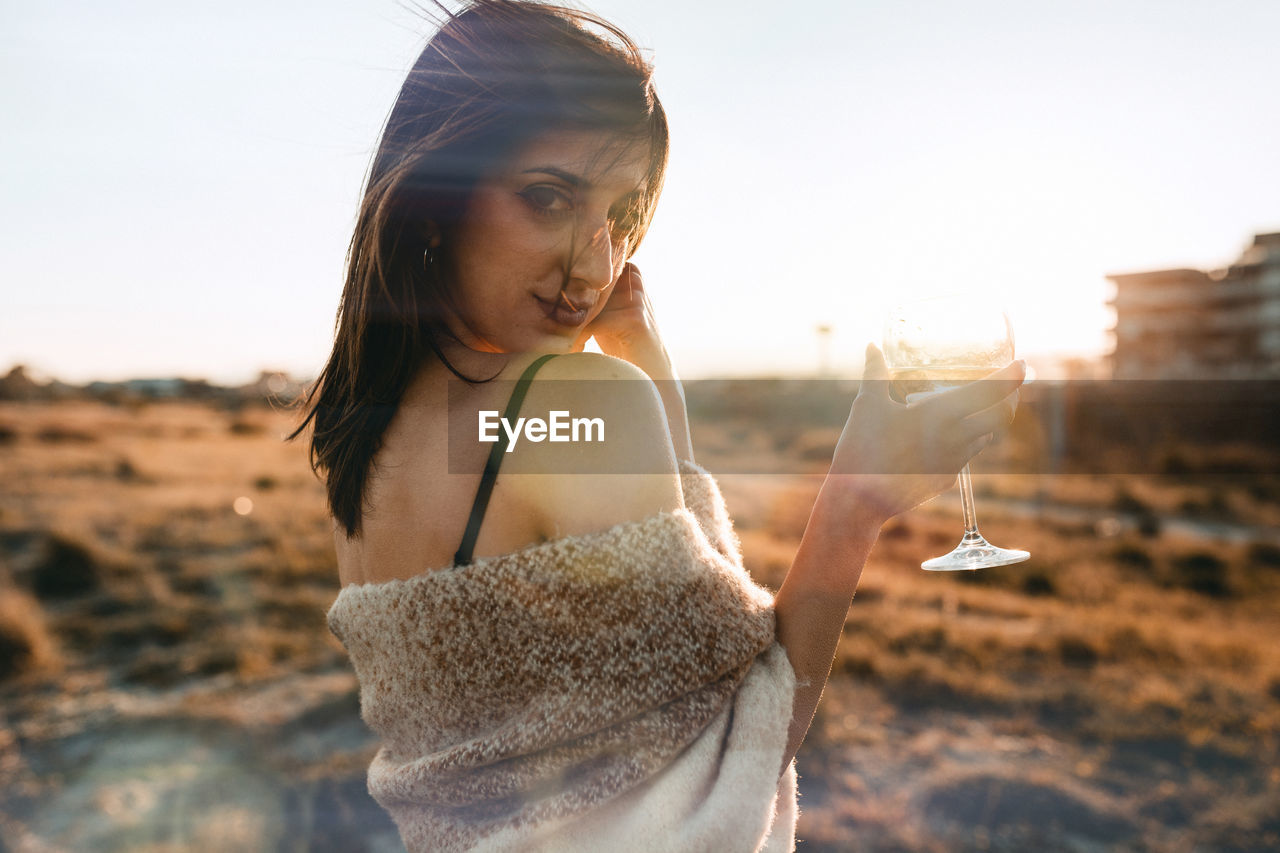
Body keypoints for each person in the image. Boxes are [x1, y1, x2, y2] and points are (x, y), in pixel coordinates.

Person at [289, 2, 1024, 850]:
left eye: (618, 214)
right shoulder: (571, 405)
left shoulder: (361, 438)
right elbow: (743, 742)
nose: (593, 264)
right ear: (432, 196)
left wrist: (646, 361)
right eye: (548, 196)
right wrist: (855, 504)